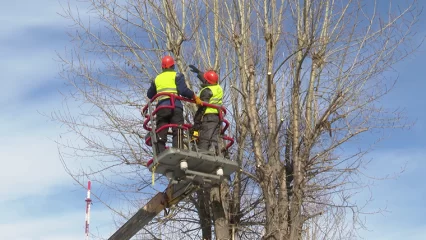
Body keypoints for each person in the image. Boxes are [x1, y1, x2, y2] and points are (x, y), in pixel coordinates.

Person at [147, 56, 203, 154]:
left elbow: (149, 94)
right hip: (175, 106)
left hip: (162, 108)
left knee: (161, 129)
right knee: (178, 130)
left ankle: (160, 153)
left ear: (162, 67)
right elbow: (183, 90)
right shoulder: (177, 75)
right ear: (173, 66)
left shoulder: (157, 79)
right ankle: (179, 151)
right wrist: (194, 96)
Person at [189, 65, 223, 153]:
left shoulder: (206, 91)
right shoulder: (218, 88)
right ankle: (214, 153)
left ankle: (202, 153)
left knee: (204, 137)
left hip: (208, 117)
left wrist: (197, 121)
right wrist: (198, 73)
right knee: (213, 138)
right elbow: (208, 80)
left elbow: (202, 107)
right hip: (218, 118)